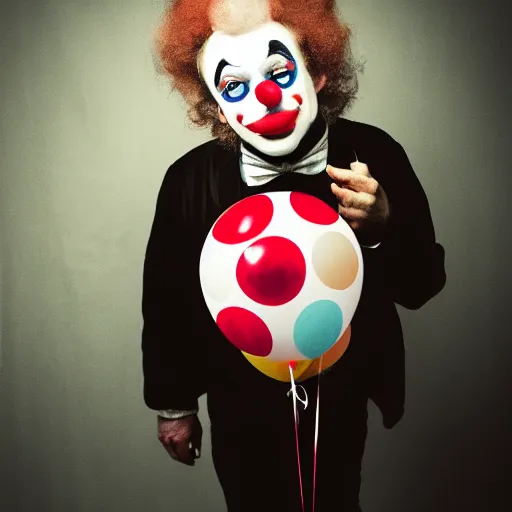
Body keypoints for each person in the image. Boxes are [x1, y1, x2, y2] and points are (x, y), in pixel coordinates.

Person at [141, 0, 446, 510]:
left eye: (280, 72)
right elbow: (168, 301)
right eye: (234, 87)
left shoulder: (376, 156)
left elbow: (422, 285)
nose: (263, 97)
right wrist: (174, 405)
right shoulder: (187, 181)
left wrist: (380, 229)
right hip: (236, 392)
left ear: (320, 71)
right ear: (216, 105)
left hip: (343, 387)